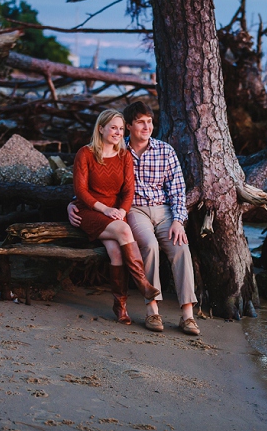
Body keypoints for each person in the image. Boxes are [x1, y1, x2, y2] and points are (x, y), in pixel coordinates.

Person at [69, 101, 199, 335]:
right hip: (134, 212)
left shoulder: (163, 151)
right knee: (148, 245)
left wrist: (179, 220)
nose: (146, 127)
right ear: (129, 126)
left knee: (181, 247)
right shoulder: (118, 150)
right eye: (140, 122)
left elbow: (178, 191)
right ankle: (152, 309)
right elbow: (86, 186)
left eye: (149, 122)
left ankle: (188, 315)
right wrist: (72, 203)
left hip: (163, 210)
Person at [73, 109, 161, 325]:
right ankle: (143, 284)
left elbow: (128, 191)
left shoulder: (124, 156)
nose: (118, 132)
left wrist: (122, 210)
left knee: (117, 254)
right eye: (113, 127)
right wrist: (105, 210)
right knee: (123, 230)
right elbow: (81, 191)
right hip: (90, 212)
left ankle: (120, 305)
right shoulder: (85, 154)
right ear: (101, 128)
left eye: (121, 129)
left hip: (114, 214)